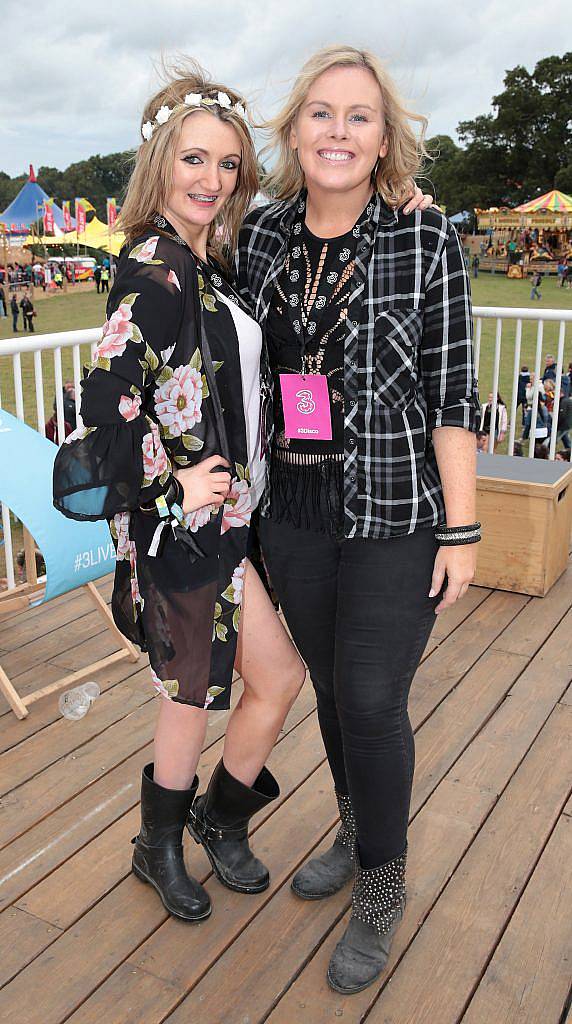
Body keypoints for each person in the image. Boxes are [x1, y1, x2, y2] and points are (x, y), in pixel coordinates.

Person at [237, 45, 480, 994]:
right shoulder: (259, 237)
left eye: (360, 117)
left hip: (391, 513)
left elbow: (454, 392)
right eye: (322, 114)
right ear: (296, 131)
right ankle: (353, 828)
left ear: (386, 141)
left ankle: (382, 885)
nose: (339, 131)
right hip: (291, 514)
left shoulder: (426, 241)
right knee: (333, 692)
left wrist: (460, 531)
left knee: (373, 698)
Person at [53, 63, 309, 926]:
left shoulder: (206, 261)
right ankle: (156, 847)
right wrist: (172, 482)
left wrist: (402, 201)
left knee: (274, 677)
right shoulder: (155, 271)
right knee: (192, 697)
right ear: (161, 162)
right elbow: (103, 406)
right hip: (183, 529)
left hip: (227, 525)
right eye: (194, 160)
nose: (211, 180)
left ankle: (215, 817)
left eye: (228, 164)